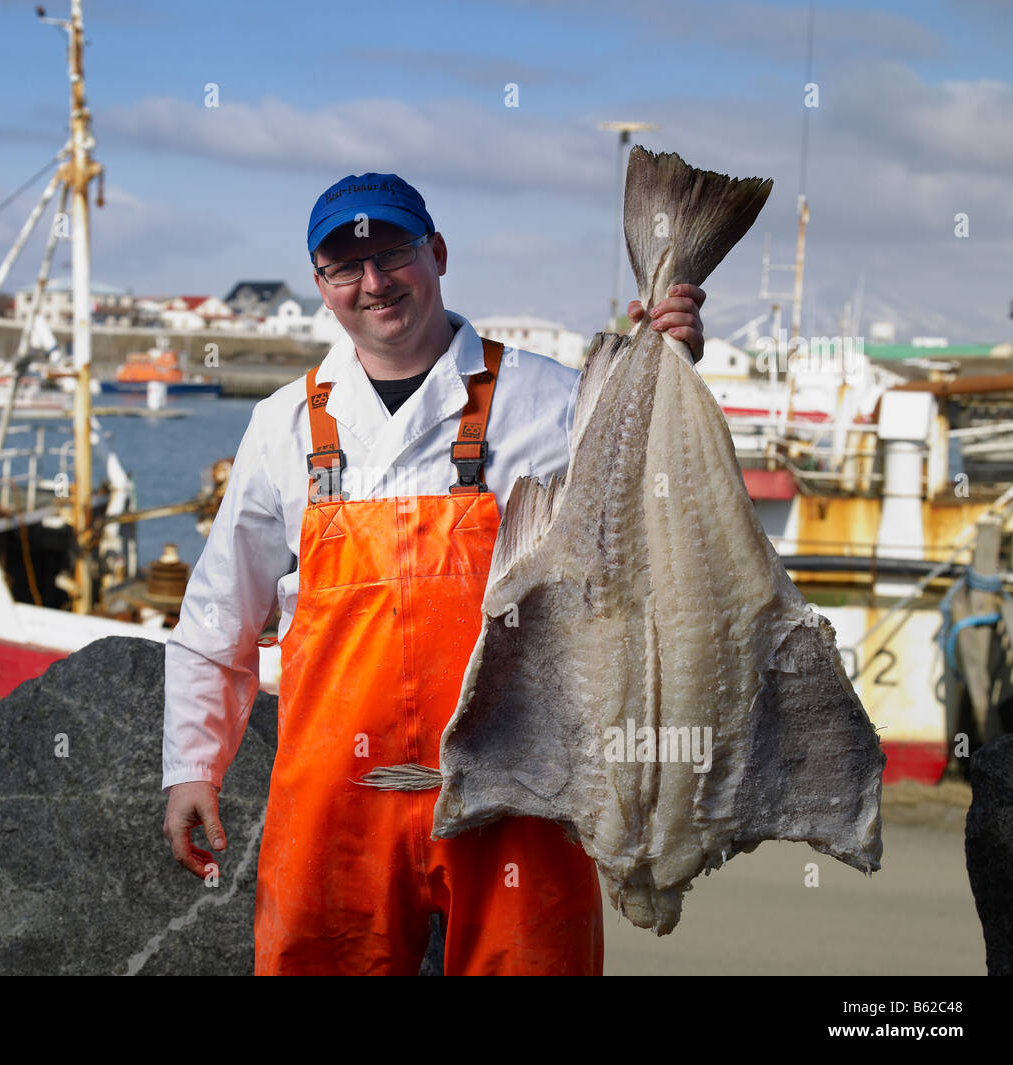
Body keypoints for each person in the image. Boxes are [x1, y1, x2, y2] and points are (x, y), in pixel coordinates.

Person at [162, 172, 706, 975]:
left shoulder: (551, 398)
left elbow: (659, 513)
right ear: (321, 286)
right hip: (334, 802)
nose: (373, 283)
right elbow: (219, 614)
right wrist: (191, 766)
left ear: (437, 253)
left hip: (521, 780)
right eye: (345, 267)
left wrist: (671, 369)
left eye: (391, 254)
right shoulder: (282, 423)